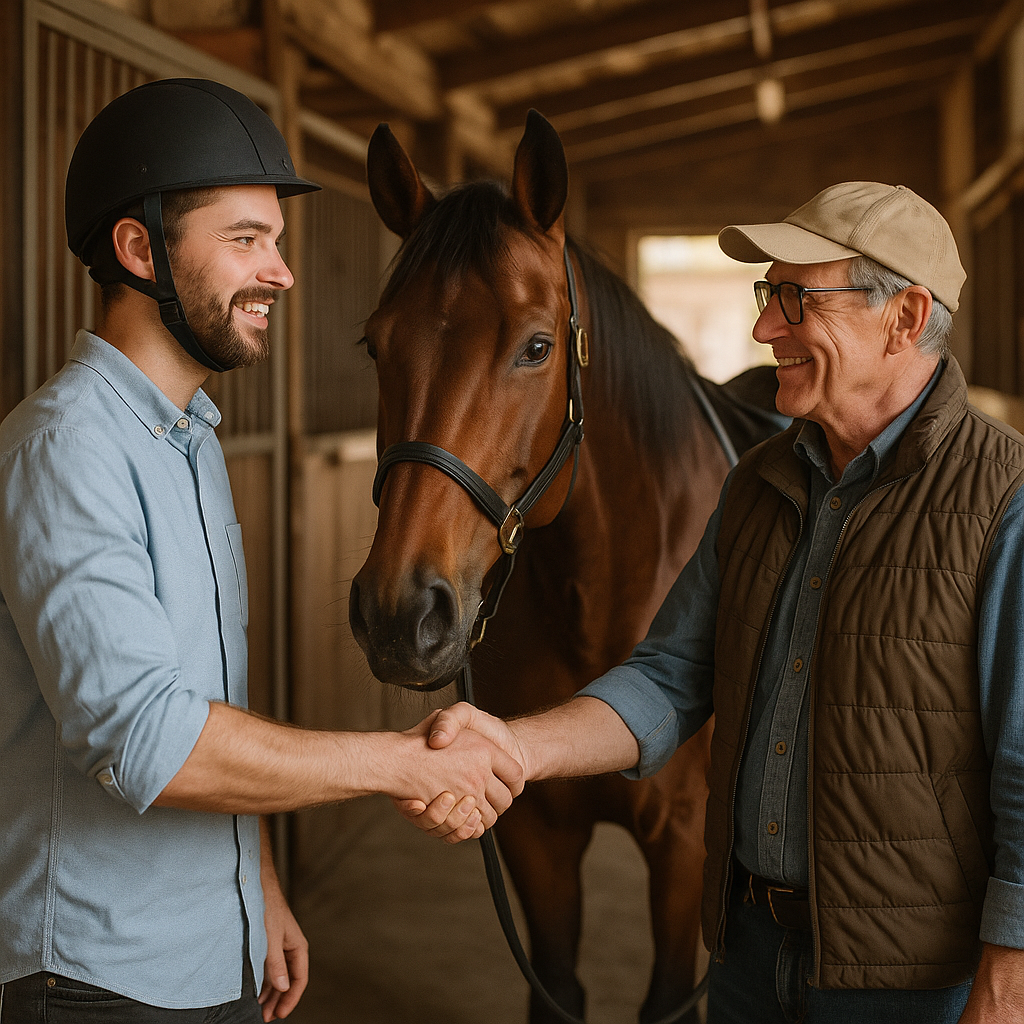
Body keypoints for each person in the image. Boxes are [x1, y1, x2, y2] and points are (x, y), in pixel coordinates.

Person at [405, 182, 1024, 1023]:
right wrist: (511, 744)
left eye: (796, 300)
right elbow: (666, 679)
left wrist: (1010, 972)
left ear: (905, 317)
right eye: (769, 297)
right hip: (748, 955)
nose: (765, 330)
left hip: (906, 985)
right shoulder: (757, 486)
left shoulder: (1004, 500)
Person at [0, 78, 522, 1024]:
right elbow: (146, 739)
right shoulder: (66, 448)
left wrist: (257, 884)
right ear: (138, 249)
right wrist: (403, 763)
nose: (281, 270)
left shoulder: (192, 439)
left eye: (275, 242)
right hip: (94, 979)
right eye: (246, 239)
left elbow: (209, 704)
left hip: (214, 946)